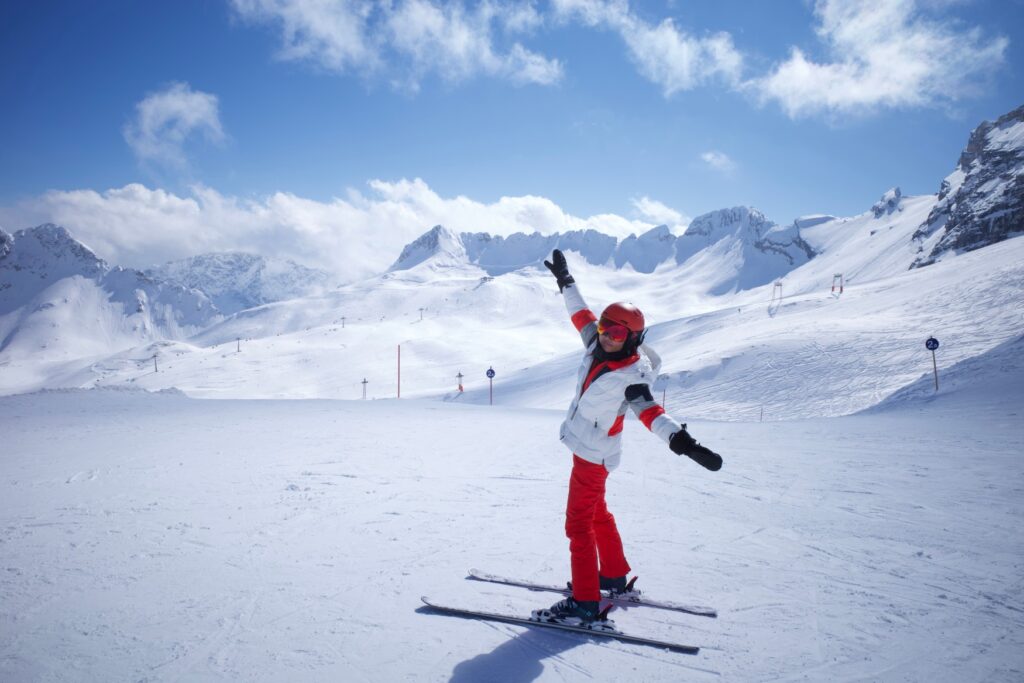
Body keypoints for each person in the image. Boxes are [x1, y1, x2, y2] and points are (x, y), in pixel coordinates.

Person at [534, 249, 723, 625]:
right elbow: (581, 314)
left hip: (593, 454)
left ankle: (585, 603)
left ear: (633, 338)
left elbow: (650, 412)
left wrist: (681, 442)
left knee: (578, 525)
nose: (606, 336)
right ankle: (614, 576)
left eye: (616, 333)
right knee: (597, 514)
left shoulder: (632, 376)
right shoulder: (595, 342)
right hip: (588, 448)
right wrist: (566, 282)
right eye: (606, 328)